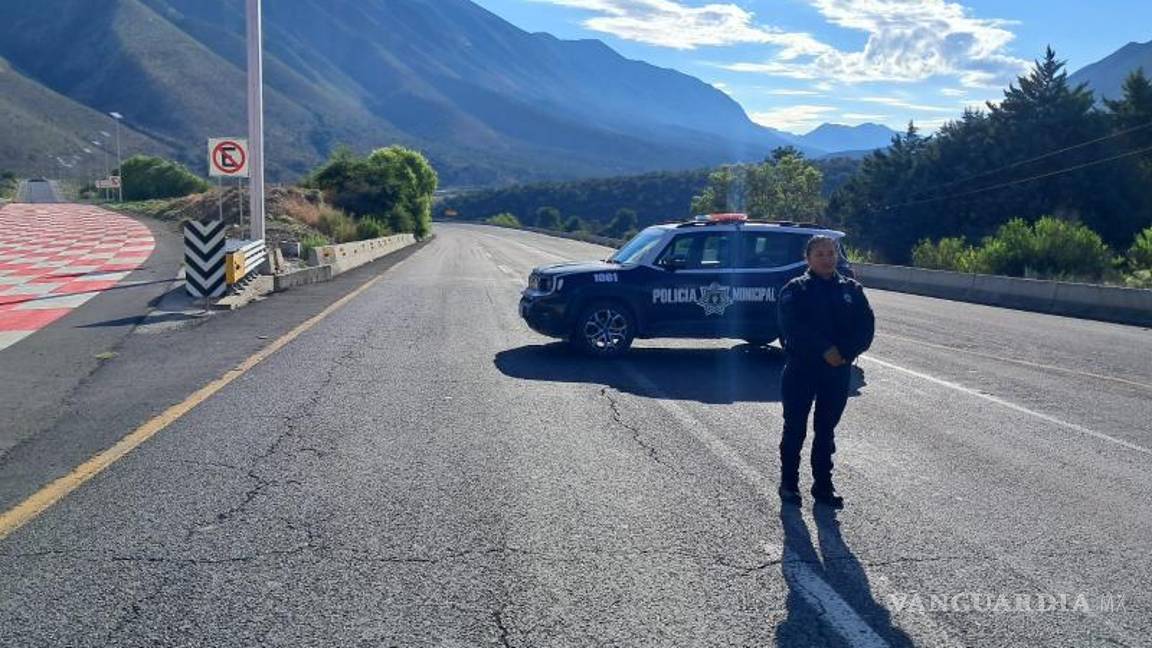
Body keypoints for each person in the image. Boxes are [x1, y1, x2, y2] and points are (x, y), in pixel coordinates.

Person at [776, 235, 874, 508]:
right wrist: (824, 349)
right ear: (808, 258)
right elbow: (792, 327)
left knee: (826, 431)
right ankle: (789, 485)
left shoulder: (852, 290)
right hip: (802, 370)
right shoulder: (795, 290)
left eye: (831, 253)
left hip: (837, 371)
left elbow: (865, 327)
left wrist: (844, 352)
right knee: (794, 429)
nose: (826, 258)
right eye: (819, 254)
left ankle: (823, 487)